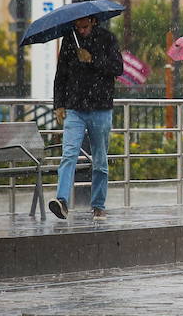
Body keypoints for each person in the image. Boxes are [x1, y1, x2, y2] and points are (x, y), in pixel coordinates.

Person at [48, 16, 124, 221]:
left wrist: (93, 59)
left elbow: (118, 68)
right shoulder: (69, 40)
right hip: (75, 108)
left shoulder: (107, 38)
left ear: (93, 21)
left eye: (85, 26)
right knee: (69, 154)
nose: (81, 30)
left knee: (100, 158)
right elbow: (61, 74)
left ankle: (98, 204)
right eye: (78, 27)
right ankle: (62, 200)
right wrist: (59, 104)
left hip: (101, 107)